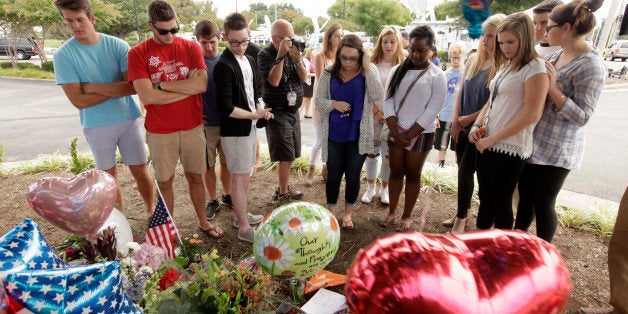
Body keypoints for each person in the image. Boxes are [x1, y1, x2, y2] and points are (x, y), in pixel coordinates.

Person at [128, 0, 223, 238]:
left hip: (192, 127)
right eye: (163, 31)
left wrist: (161, 86)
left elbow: (200, 84)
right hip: (160, 131)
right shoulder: (138, 53)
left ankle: (203, 222)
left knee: (195, 177)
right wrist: (184, 88)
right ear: (150, 26)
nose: (170, 35)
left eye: (174, 29)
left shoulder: (191, 48)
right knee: (165, 182)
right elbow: (146, 95)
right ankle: (169, 231)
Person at [515, 0, 606, 242]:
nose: (544, 32)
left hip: (557, 151)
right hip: (534, 142)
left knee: (543, 204)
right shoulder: (557, 54)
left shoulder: (592, 64)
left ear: (566, 27)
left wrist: (553, 89)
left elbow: (583, 116)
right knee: (525, 200)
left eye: (549, 26)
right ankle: (517, 247)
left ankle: (545, 256)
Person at [53, 0, 154, 214]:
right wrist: (114, 86)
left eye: (80, 20)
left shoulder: (118, 46)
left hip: (128, 119)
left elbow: (131, 88)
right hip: (96, 125)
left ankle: (151, 211)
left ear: (92, 18)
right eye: (69, 21)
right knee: (108, 180)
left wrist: (90, 88)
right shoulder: (63, 55)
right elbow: (78, 101)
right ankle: (120, 221)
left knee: (141, 171)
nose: (76, 26)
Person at [468, 12, 549, 230]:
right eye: (501, 42)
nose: (504, 47)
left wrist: (493, 138)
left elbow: (533, 114)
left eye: (510, 42)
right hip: (487, 141)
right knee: (485, 198)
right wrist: (477, 125)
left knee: (501, 201)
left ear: (525, 38)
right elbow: (491, 101)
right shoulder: (506, 65)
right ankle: (480, 244)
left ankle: (502, 254)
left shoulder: (535, 68)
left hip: (509, 145)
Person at [442, 14, 506, 233]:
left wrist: (470, 120)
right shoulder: (473, 59)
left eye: (491, 36)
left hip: (482, 127)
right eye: (483, 35)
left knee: (472, 171)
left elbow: (493, 101)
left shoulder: (502, 64)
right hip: (462, 122)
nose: (485, 40)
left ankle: (464, 217)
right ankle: (462, 211)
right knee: (462, 169)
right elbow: (461, 90)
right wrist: (456, 120)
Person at [379, 26, 447, 231]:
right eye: (413, 50)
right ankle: (392, 211)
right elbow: (387, 100)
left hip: (421, 133)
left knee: (413, 174)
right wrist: (395, 132)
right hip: (395, 130)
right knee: (395, 172)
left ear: (431, 49)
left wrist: (408, 135)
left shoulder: (437, 75)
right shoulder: (397, 70)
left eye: (422, 51)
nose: (416, 55)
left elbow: (433, 109)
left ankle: (406, 216)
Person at [315, 34, 384, 229]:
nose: (347, 62)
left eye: (353, 58)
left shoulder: (368, 72)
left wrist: (368, 67)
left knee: (353, 176)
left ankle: (347, 214)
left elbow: (378, 94)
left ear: (361, 56)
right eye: (343, 57)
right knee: (334, 176)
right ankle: (330, 214)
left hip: (358, 135)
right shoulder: (329, 73)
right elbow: (319, 101)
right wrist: (333, 104)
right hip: (334, 134)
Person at [214, 13, 272, 243]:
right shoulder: (223, 66)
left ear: (249, 34)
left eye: (244, 41)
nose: (239, 47)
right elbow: (226, 108)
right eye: (234, 42)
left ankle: (241, 216)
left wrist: (262, 109)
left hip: (248, 127)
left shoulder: (248, 58)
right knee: (239, 180)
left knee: (244, 178)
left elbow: (253, 93)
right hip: (234, 132)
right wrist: (254, 115)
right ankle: (244, 227)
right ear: (225, 37)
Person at [258, 19, 308, 203]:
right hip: (277, 111)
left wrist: (297, 61)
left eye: (292, 36)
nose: (291, 41)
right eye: (287, 37)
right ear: (274, 38)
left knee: (292, 153)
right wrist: (280, 56)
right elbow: (274, 81)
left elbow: (303, 78)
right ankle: (283, 193)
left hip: (293, 111)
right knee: (285, 155)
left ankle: (283, 188)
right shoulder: (265, 54)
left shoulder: (292, 52)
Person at [360, 26, 405, 205]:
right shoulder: (371, 63)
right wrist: (377, 112)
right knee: (372, 153)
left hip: (394, 118)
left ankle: (385, 189)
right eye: (385, 41)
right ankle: (371, 187)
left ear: (398, 43)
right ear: (380, 42)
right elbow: (365, 91)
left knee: (388, 155)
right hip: (373, 115)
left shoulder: (404, 64)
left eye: (392, 42)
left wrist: (389, 115)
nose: (388, 45)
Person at [194, 20, 232, 220]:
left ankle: (227, 195)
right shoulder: (194, 63)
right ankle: (213, 199)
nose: (209, 47)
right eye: (204, 43)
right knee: (208, 165)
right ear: (198, 41)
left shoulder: (227, 60)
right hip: (206, 125)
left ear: (220, 40)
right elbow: (188, 94)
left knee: (227, 163)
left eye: (213, 42)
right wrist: (195, 115)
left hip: (227, 124)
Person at [306, 23, 343, 186]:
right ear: (329, 38)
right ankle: (311, 170)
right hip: (322, 102)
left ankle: (326, 168)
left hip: (337, 103)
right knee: (320, 140)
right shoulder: (321, 56)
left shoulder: (343, 56)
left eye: (342, 36)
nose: (340, 39)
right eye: (337, 36)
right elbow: (322, 81)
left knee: (333, 140)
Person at [433, 43, 465, 168]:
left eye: (458, 57)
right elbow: (438, 96)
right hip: (444, 116)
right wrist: (436, 116)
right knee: (442, 144)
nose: (455, 60)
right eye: (452, 57)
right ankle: (441, 166)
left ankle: (459, 169)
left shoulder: (466, 74)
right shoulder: (445, 74)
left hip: (460, 118)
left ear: (463, 57)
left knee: (458, 146)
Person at [300, 47, 317, 120]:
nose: (316, 52)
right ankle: (298, 114)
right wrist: (316, 74)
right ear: (310, 52)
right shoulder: (304, 60)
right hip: (306, 81)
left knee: (309, 98)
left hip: (312, 81)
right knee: (304, 99)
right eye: (314, 51)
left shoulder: (314, 60)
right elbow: (305, 73)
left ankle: (306, 113)